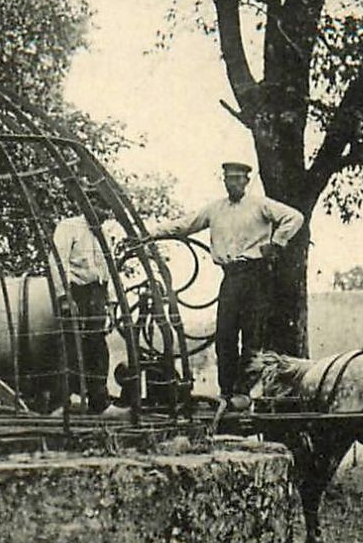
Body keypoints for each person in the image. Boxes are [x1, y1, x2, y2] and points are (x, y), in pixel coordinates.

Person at [129, 161, 303, 399]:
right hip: (231, 276)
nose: (232, 183)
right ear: (224, 181)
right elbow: (185, 224)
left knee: (252, 337)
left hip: (256, 275)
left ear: (246, 181)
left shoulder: (260, 204)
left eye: (237, 178)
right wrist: (149, 234)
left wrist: (276, 243)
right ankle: (226, 391)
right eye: (228, 179)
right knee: (225, 336)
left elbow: (294, 217)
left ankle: (243, 393)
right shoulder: (215, 209)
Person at [49, 212, 120, 413]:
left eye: (105, 209)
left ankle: (99, 402)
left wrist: (112, 303)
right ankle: (62, 402)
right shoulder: (68, 226)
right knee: (70, 344)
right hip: (76, 291)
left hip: (97, 292)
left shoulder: (104, 232)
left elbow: (110, 269)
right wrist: (64, 296)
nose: (102, 212)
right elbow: (57, 262)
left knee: (97, 345)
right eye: (95, 204)